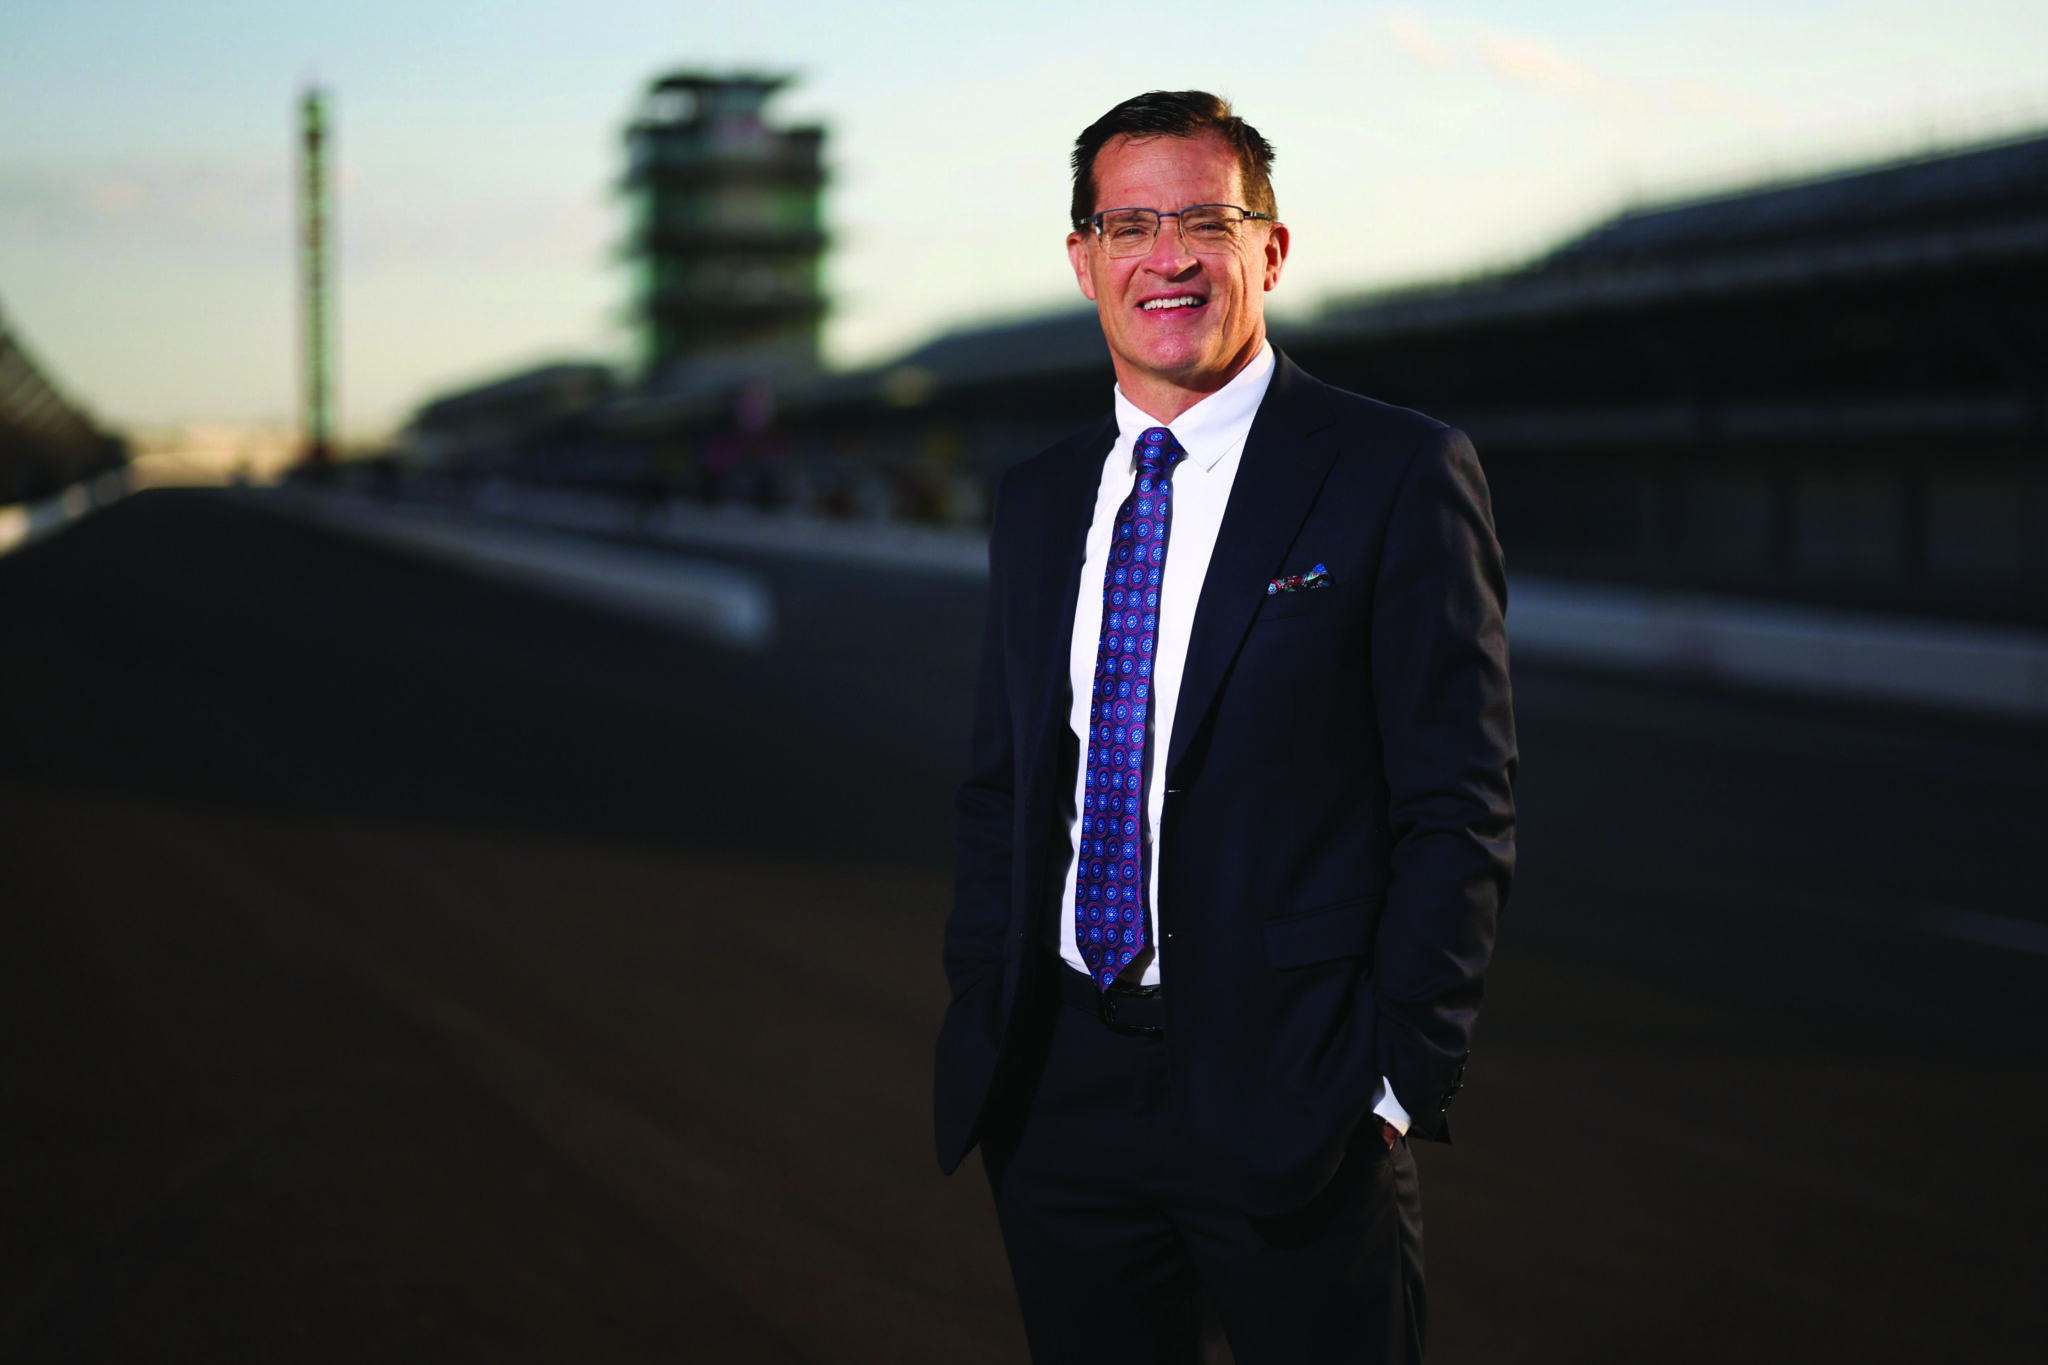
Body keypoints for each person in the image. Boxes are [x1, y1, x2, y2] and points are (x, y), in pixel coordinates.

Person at [935, 90, 1516, 1363]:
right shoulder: (1038, 501)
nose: (1169, 255)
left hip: (1293, 1092)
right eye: (1130, 222)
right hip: (1058, 1090)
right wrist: (989, 997)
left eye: (1206, 219)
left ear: (1271, 247)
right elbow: (1004, 786)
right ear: (1082, 257)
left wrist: (1392, 1076)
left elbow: (1456, 801)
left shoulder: (1394, 469)